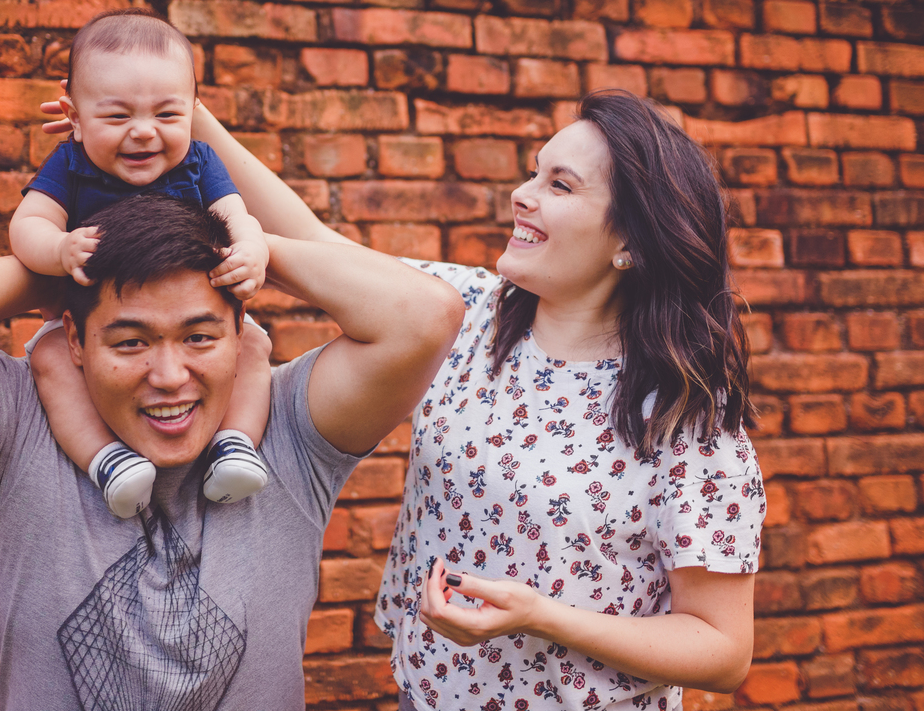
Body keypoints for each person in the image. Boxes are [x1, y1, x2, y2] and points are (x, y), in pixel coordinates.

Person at [98, 89, 763, 711]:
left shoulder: (686, 418)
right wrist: (186, 116)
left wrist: (540, 616)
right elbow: (315, 241)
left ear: (630, 242)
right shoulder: (468, 315)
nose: (522, 196)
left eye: (559, 185)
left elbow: (722, 648)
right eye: (534, 174)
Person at [0, 194, 465, 710]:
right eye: (129, 342)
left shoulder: (288, 429)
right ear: (74, 340)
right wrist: (60, 272)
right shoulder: (24, 426)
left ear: (242, 331)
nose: (170, 375)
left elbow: (425, 314)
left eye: (200, 336)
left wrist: (249, 251)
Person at [11, 7, 271, 518]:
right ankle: (106, 460)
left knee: (256, 344)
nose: (144, 132)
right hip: (95, 328)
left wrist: (252, 251)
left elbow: (238, 216)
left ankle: (235, 444)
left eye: (167, 115)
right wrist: (59, 249)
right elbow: (26, 225)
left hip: (181, 311)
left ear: (194, 112)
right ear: (76, 117)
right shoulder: (71, 162)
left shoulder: (198, 160)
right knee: (47, 357)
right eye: (116, 116)